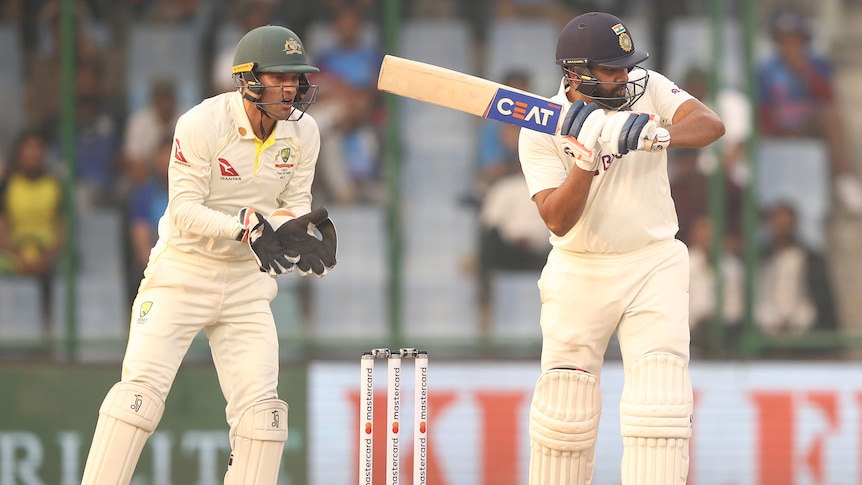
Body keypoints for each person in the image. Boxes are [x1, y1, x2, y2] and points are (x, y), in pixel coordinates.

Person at [79, 25, 337, 485]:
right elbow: (183, 211)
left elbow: (293, 199)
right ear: (247, 79)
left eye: (296, 78)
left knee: (263, 416)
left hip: (245, 283)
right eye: (279, 77)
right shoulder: (201, 124)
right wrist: (247, 228)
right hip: (183, 271)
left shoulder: (305, 132)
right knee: (137, 400)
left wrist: (296, 228)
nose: (292, 87)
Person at [518, 12, 724, 484]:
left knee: (660, 405)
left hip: (653, 261)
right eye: (611, 69)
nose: (623, 77)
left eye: (625, 66)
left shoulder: (647, 86)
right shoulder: (539, 127)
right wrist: (585, 162)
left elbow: (710, 125)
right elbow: (557, 219)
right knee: (563, 415)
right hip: (580, 268)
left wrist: (657, 135)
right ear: (575, 73)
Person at [757, 6, 862, 215]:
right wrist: (777, 127)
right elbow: (762, 108)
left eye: (796, 39)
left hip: (808, 125)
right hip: (778, 129)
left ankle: (842, 179)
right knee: (756, 126)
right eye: (786, 39)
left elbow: (828, 97)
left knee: (833, 116)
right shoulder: (767, 69)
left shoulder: (817, 64)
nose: (791, 45)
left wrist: (803, 71)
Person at [0, 129, 65, 340]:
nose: (33, 155)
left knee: (63, 271)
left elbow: (62, 229)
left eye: (37, 149)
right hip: (14, 253)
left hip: (48, 255)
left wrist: (45, 256)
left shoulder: (55, 185)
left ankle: (50, 337)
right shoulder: (7, 185)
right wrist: (19, 256)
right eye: (28, 150)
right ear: (19, 154)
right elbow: (2, 229)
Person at [756, 201, 839, 338]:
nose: (783, 229)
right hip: (765, 334)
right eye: (779, 224)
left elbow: (823, 302)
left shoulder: (811, 260)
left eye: (787, 225)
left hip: (803, 336)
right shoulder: (759, 259)